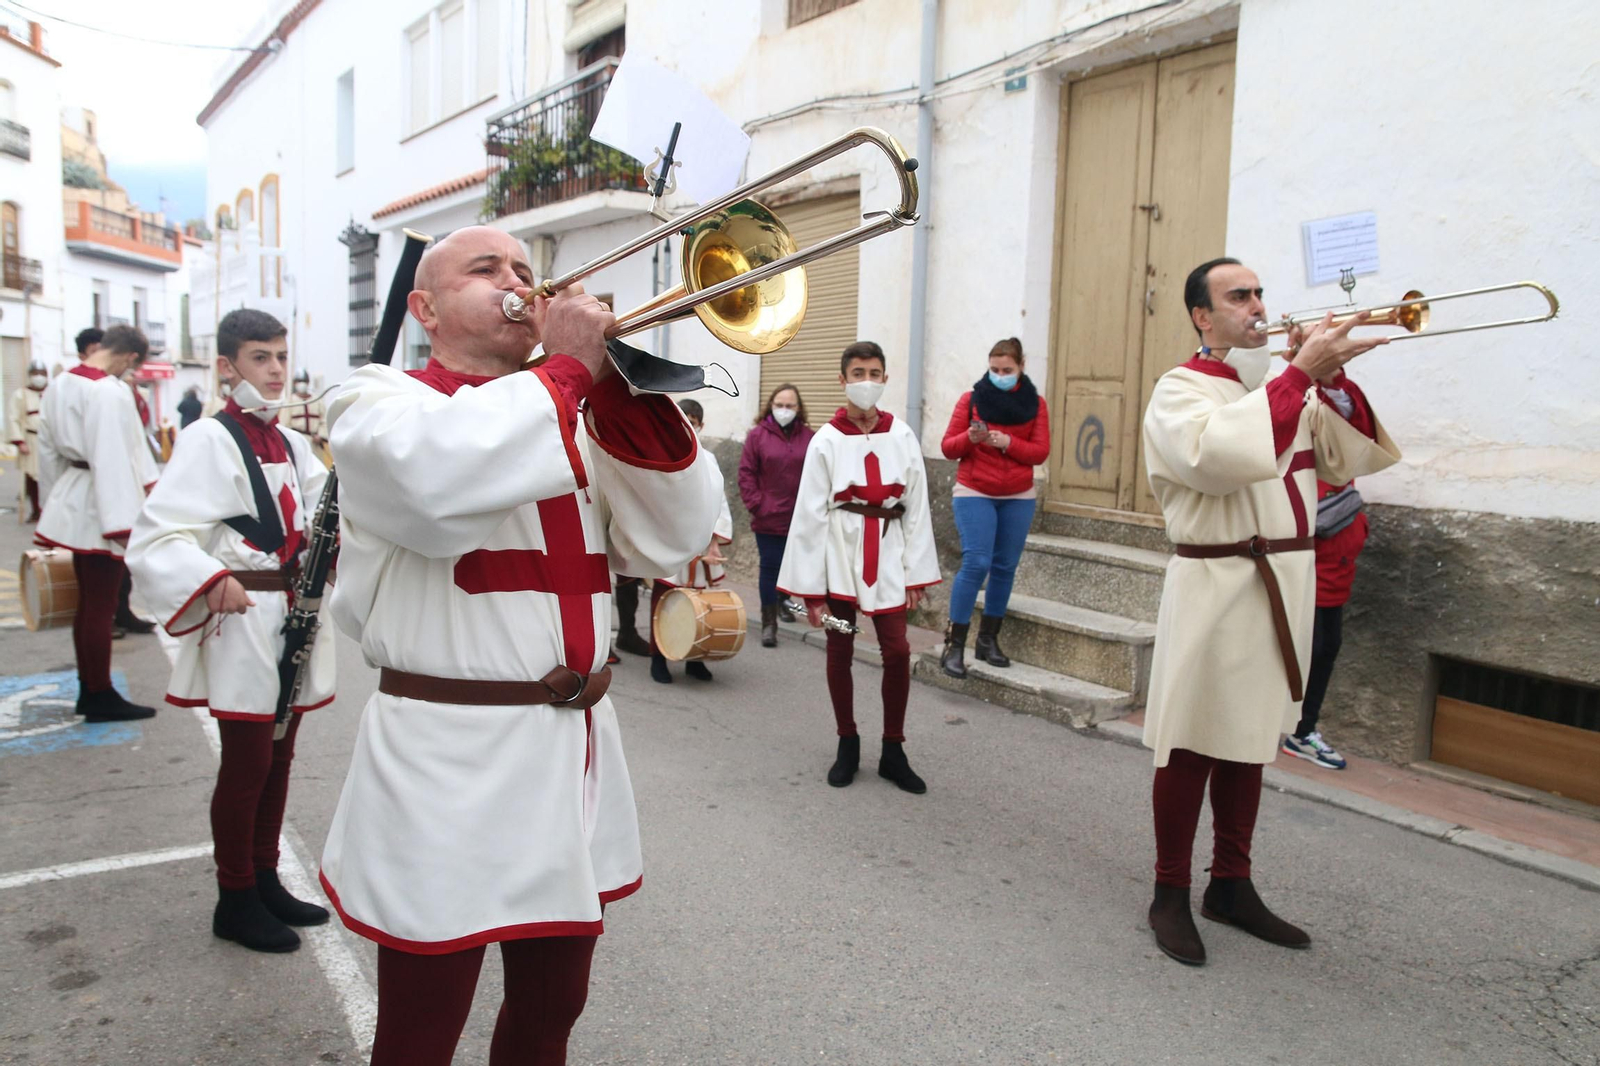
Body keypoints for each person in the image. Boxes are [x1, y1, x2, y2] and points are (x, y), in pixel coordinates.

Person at [318, 226, 723, 1065]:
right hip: (445, 755)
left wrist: (614, 392)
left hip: (569, 747)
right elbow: (434, 483)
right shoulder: (374, 401)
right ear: (425, 308)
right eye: (486, 269)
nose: (517, 284)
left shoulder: (565, 412)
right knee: (421, 1029)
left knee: (552, 1009)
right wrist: (567, 372)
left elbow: (676, 534)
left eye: (525, 271)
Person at [1140, 257, 1400, 967]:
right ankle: (1169, 891)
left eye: (1260, 293)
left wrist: (1335, 381)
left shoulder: (1285, 387)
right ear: (1202, 315)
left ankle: (1232, 882)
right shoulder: (1180, 389)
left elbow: (1346, 461)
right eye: (1239, 296)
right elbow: (1214, 457)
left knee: (1250, 734)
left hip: (1283, 577)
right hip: (1218, 579)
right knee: (1193, 738)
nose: (1257, 306)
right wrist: (1298, 376)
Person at [127, 308, 336, 954]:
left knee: (280, 755)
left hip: (294, 617)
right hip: (243, 617)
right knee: (246, 764)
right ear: (226, 366)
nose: (275, 371)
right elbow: (158, 533)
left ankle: (265, 877)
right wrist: (208, 578)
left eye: (280, 357)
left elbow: (326, 513)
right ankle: (234, 895)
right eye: (259, 358)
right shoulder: (208, 439)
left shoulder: (295, 442)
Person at [778, 341, 941, 794]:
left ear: (885, 378)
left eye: (874, 372)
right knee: (841, 646)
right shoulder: (826, 440)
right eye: (857, 373)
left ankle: (893, 749)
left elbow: (917, 507)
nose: (866, 381)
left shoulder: (903, 435)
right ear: (843, 379)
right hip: (840, 554)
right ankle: (847, 741)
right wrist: (810, 589)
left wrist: (915, 572)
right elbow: (809, 515)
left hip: (887, 552)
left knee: (898, 650)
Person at [34, 324, 158, 721]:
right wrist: (124, 522)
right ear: (130, 358)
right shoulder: (109, 390)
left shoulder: (59, 385)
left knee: (88, 605)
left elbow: (47, 450)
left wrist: (53, 503)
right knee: (100, 606)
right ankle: (100, 693)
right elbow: (115, 458)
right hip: (101, 501)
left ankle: (91, 689)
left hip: (74, 495)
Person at [936, 338, 1051, 678]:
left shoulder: (1036, 404)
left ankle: (988, 641)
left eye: (1007, 370)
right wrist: (970, 439)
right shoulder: (971, 400)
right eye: (994, 369)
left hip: (1018, 494)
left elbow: (1039, 452)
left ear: (1021, 367)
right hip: (975, 490)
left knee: (1004, 567)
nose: (1000, 375)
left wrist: (1009, 443)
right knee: (977, 562)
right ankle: (954, 646)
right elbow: (947, 447)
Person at [1280, 468, 1369, 770]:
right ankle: (1281, 726)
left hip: (1337, 583)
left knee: (1327, 649)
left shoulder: (1345, 475)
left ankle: (1302, 733)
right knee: (1304, 653)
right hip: (1309, 585)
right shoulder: (1305, 475)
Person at [647, 398, 732, 684]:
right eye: (684, 421)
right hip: (671, 541)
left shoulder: (709, 459)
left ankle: (696, 659)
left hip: (701, 542)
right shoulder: (659, 455)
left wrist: (714, 541)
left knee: (700, 603)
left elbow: (719, 500)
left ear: (701, 425)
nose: (689, 427)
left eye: (693, 423)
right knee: (665, 602)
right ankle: (658, 658)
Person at [739, 383, 815, 647]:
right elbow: (746, 473)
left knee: (792, 566)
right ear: (771, 406)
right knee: (770, 568)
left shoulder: (809, 437)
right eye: (779, 405)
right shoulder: (757, 436)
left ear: (799, 408)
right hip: (768, 516)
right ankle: (769, 623)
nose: (784, 410)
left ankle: (783, 602)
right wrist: (757, 504)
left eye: (790, 405)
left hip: (800, 517)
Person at [9, 360, 48, 522]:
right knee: (32, 476)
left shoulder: (53, 392)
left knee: (52, 476)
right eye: (35, 374)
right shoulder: (21, 394)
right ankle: (36, 511)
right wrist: (20, 441)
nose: (38, 377)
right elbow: (13, 418)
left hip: (49, 440)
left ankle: (50, 512)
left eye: (42, 374)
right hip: (31, 439)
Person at [281, 369, 328, 460]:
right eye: (299, 381)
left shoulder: (317, 400)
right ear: (295, 383)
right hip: (297, 442)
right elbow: (284, 424)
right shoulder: (290, 401)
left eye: (304, 381)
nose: (302, 384)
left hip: (314, 443)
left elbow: (324, 421)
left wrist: (321, 435)